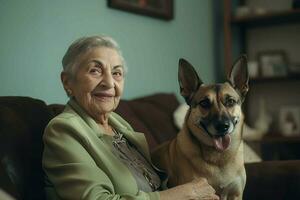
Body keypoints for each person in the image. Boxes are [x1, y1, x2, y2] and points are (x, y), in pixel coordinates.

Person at [42, 35, 219, 200]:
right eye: (95, 70)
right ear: (67, 82)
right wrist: (181, 194)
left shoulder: (118, 124)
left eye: (117, 73)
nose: (109, 83)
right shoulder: (63, 130)